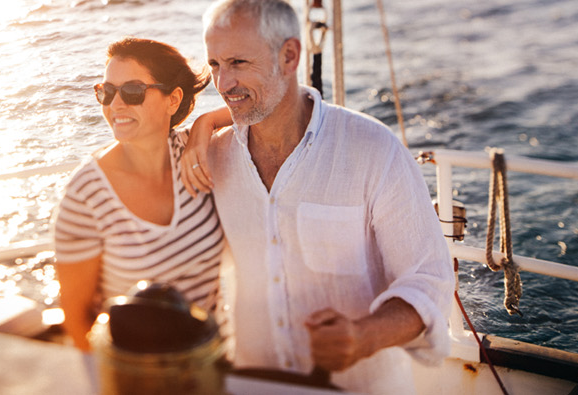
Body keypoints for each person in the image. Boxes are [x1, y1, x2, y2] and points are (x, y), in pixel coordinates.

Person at [178, 0, 454, 393]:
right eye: (215, 65)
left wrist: (364, 336)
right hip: (256, 383)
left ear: (289, 56)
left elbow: (430, 279)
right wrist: (203, 124)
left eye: (238, 63)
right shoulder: (213, 157)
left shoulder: (374, 149)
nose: (222, 84)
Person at [53, 37, 233, 351]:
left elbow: (268, 107)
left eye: (132, 91)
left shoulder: (198, 153)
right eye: (106, 92)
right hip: (136, 371)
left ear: (173, 100)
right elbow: (77, 317)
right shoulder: (86, 195)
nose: (115, 104)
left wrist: (206, 122)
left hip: (210, 360)